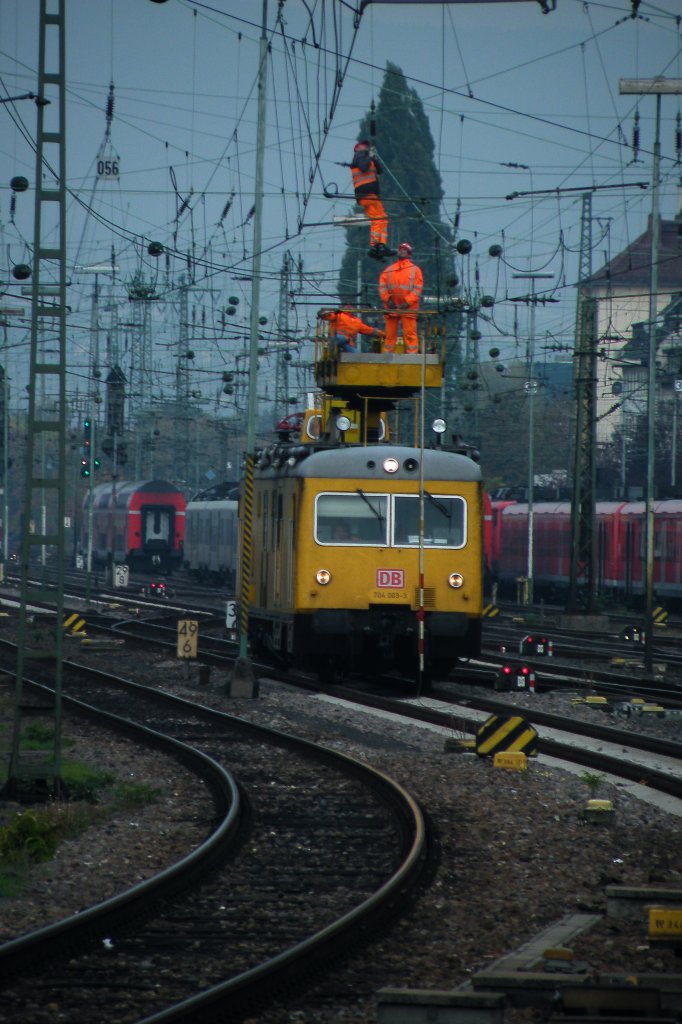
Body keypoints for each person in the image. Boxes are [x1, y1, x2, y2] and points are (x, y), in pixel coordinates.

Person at [378, 242, 424, 354]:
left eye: (405, 249)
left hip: (408, 308)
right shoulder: (389, 270)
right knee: (390, 334)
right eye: (400, 249)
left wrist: (407, 303)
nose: (402, 251)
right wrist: (388, 300)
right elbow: (382, 287)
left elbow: (417, 289)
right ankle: (388, 354)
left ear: (409, 253)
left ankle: (412, 356)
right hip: (392, 307)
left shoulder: (415, 270)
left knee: (410, 334)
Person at [350, 140, 393, 261]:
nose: (366, 147)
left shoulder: (366, 158)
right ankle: (375, 246)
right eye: (364, 145)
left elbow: (379, 170)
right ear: (357, 148)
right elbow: (364, 168)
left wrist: (373, 158)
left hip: (370, 195)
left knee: (382, 218)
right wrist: (369, 156)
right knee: (378, 218)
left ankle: (381, 244)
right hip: (367, 193)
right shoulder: (359, 156)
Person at [318, 305, 384, 354]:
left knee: (335, 340)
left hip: (342, 339)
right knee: (354, 353)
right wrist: (383, 334)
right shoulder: (356, 321)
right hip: (347, 341)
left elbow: (330, 315)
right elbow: (370, 330)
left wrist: (323, 314)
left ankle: (331, 355)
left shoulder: (340, 315)